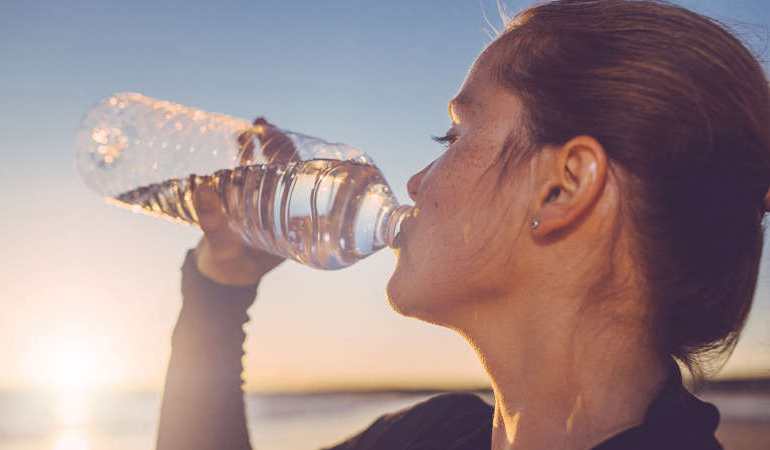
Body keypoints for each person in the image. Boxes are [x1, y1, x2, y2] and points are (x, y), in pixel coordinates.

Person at [154, 1, 770, 449]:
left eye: (454, 135)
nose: (416, 182)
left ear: (564, 187)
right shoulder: (431, 437)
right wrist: (220, 288)